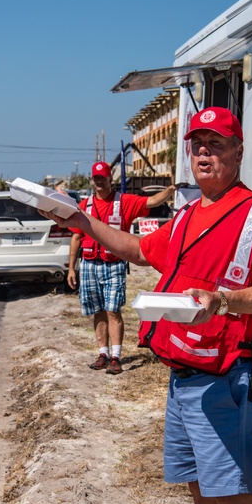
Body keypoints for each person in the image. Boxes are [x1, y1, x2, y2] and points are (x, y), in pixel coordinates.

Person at [40, 106, 252, 504]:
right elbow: (136, 248)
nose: (204, 153)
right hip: (183, 374)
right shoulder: (185, 214)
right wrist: (81, 222)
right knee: (201, 488)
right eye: (197, 144)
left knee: (236, 494)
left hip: (226, 377)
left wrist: (224, 301)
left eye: (216, 144)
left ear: (238, 151)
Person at [67, 161, 174, 376]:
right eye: (96, 178)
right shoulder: (85, 205)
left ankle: (116, 356)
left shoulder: (123, 202)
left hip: (114, 264)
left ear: (110, 179)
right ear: (92, 179)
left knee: (113, 310)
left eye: (103, 177)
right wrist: (71, 268)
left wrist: (170, 191)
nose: (99, 181)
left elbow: (151, 201)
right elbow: (76, 237)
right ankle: (102, 353)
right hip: (89, 264)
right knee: (97, 311)